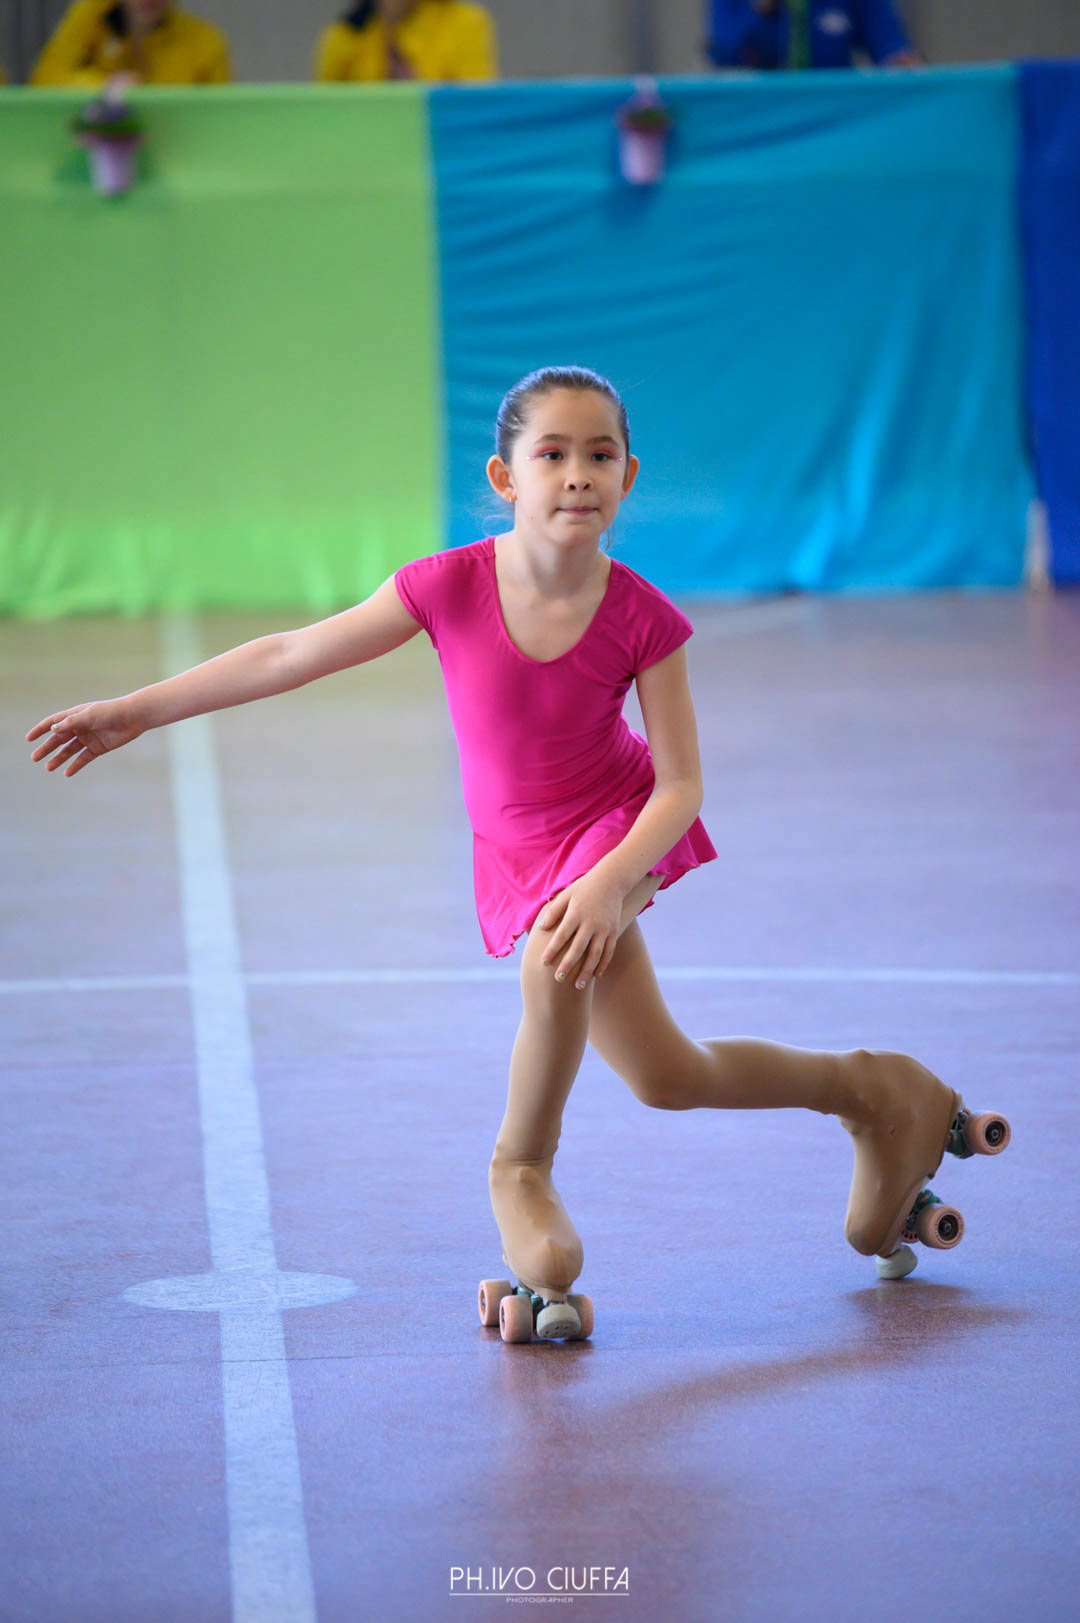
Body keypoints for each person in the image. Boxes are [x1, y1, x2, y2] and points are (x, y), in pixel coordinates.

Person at [27, 365, 1005, 1340]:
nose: (578, 474)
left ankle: (519, 1167)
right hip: (520, 849)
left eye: (600, 455)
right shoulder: (445, 586)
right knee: (669, 1075)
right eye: (552, 455)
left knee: (555, 951)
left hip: (618, 825)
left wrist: (612, 882)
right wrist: (135, 711)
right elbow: (290, 653)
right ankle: (875, 1090)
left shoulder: (643, 616)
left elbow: (680, 788)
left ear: (628, 476)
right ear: (505, 477)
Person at [30, 0, 230, 89]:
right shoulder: (93, 15)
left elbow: (223, 118)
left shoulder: (205, 40)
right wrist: (105, 86)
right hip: (101, 150)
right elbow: (44, 80)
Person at [706, 0, 922, 71]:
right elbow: (724, 56)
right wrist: (761, 10)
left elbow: (892, 50)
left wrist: (908, 68)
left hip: (833, 121)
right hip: (759, 121)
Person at [314, 0, 495, 84]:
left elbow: (477, 107)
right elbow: (326, 114)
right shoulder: (346, 34)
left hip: (438, 142)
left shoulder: (463, 22)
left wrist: (417, 95)